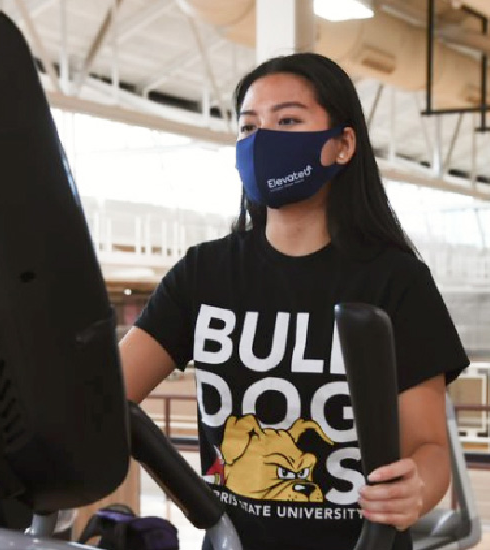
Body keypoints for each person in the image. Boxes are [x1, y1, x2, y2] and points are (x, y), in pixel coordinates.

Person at [120, 52, 469, 550]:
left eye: (287, 120)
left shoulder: (396, 281)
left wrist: (416, 490)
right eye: (248, 126)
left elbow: (429, 448)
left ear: (342, 144)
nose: (261, 141)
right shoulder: (204, 274)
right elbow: (106, 396)